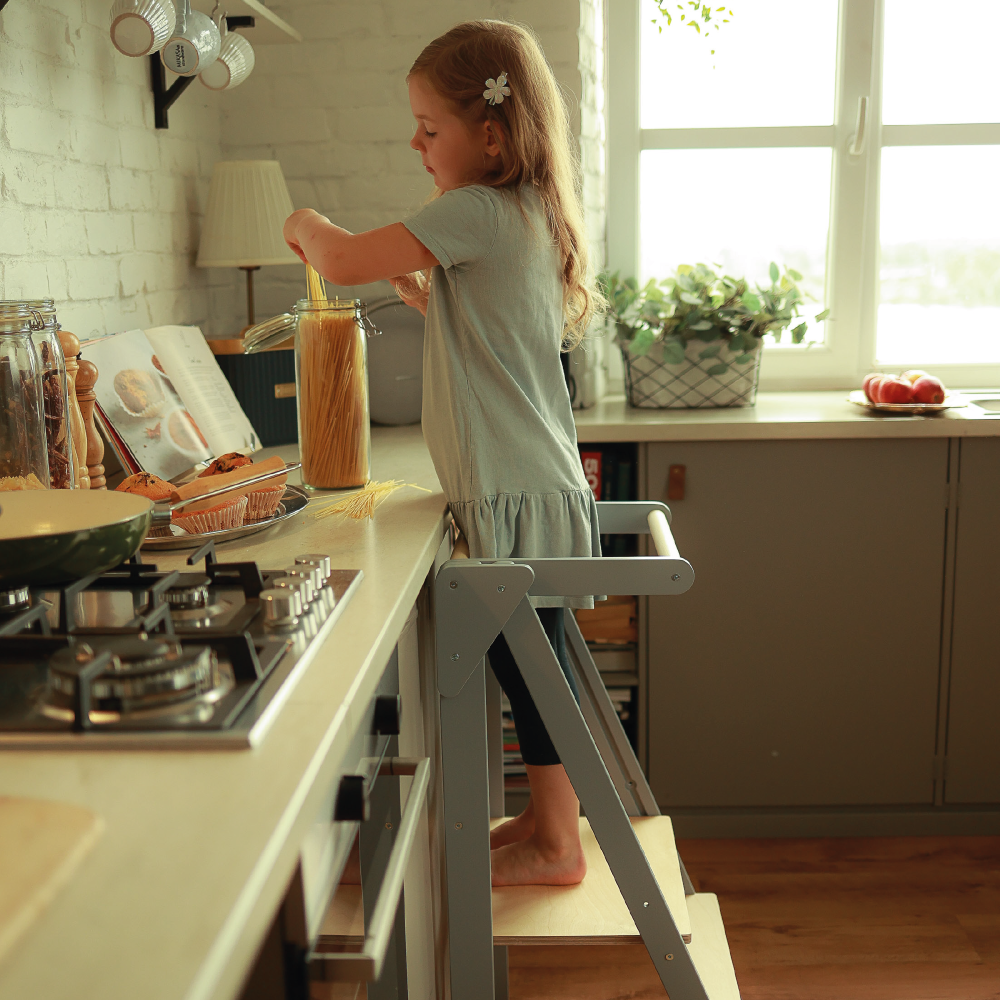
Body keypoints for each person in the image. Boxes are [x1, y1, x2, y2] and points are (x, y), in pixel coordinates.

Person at [283, 19, 602, 887]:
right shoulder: (526, 211)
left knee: (530, 666)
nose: (415, 142)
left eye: (431, 128)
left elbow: (341, 260)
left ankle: (558, 846)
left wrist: (303, 218)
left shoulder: (475, 210)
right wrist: (432, 301)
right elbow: (497, 343)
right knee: (540, 658)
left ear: (489, 133)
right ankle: (548, 823)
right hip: (530, 480)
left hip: (510, 486)